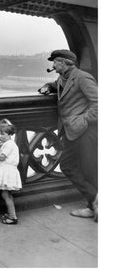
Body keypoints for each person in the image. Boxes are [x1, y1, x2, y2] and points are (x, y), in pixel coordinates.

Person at [38, 49, 98, 222]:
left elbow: (99, 103)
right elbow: (58, 86)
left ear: (63, 63)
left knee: (88, 168)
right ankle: (94, 201)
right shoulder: (63, 78)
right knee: (68, 165)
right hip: (72, 132)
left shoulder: (83, 78)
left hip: (85, 131)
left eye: (55, 62)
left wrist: (83, 120)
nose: (53, 65)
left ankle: (93, 204)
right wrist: (47, 87)